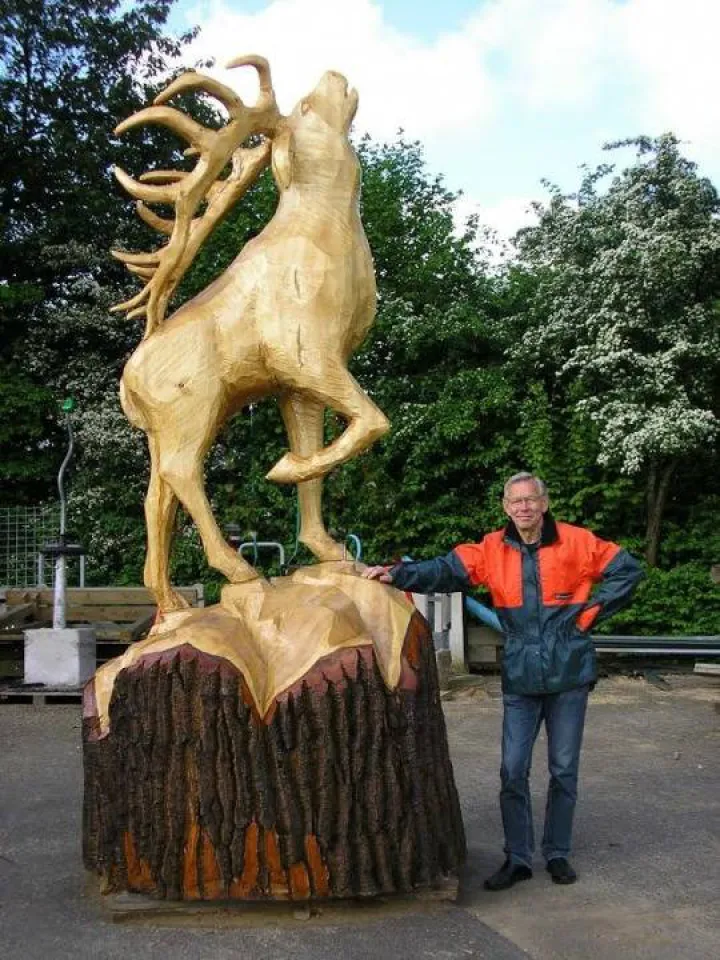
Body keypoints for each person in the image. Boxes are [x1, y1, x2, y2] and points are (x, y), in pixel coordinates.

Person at [363, 472, 643, 891]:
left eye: (531, 499)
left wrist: (588, 615)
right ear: (506, 508)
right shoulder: (491, 549)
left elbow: (628, 571)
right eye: (516, 501)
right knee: (513, 770)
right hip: (521, 676)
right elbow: (444, 569)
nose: (524, 507)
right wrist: (397, 574)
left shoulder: (578, 542)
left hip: (569, 674)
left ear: (544, 503)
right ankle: (518, 858)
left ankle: (558, 853)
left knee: (563, 770)